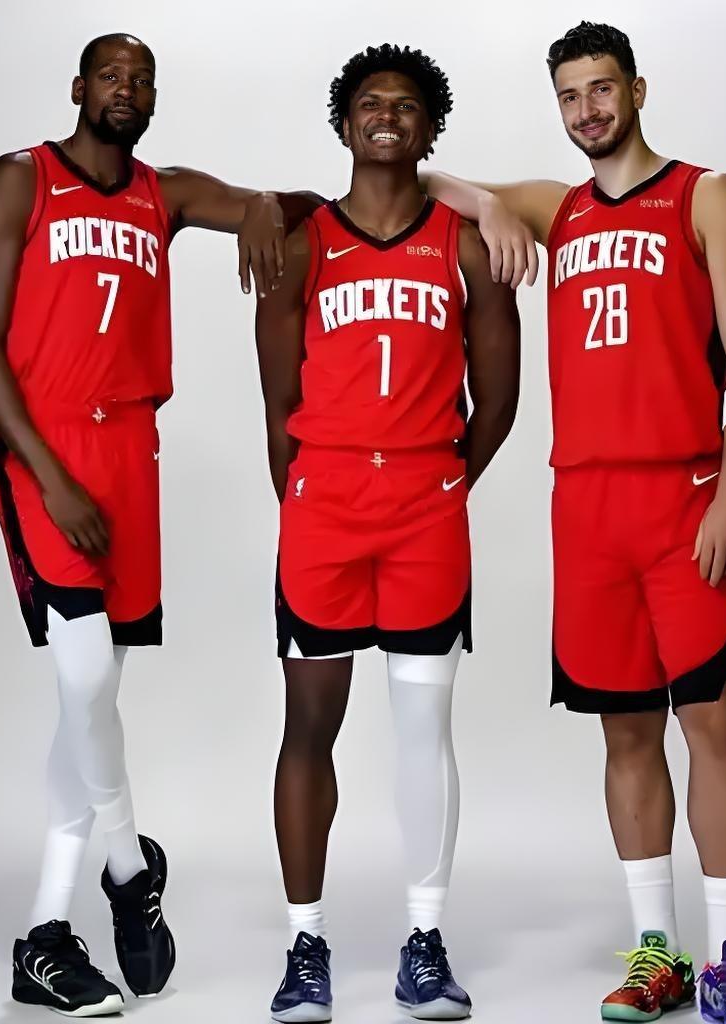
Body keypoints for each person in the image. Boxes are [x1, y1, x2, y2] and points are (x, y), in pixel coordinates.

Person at [0, 32, 319, 1017]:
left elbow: (295, 206)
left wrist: (261, 204)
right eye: (111, 75)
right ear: (79, 87)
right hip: (46, 448)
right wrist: (51, 479)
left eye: (142, 79)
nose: (126, 88)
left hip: (129, 453)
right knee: (83, 683)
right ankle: (125, 870)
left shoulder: (165, 193)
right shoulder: (23, 178)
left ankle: (46, 931)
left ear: (153, 99)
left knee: (92, 701)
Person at [425, 21, 726, 1024]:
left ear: (637, 89)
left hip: (686, 499)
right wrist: (496, 208)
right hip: (586, 511)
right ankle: (657, 956)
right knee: (626, 733)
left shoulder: (706, 195)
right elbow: (432, 181)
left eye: (602, 89)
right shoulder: (562, 207)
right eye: (570, 95)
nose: (587, 110)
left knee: (713, 725)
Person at [254, 43, 521, 1023]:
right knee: (308, 727)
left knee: (423, 731)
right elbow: (277, 399)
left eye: (407, 105)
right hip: (324, 510)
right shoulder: (300, 242)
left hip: (424, 512)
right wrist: (310, 490)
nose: (387, 116)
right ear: (344, 123)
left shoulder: (465, 244)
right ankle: (305, 946)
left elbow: (499, 397)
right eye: (370, 103)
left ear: (430, 129)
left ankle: (424, 942)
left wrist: (439, 479)